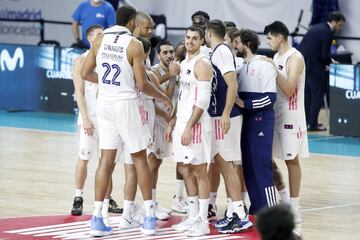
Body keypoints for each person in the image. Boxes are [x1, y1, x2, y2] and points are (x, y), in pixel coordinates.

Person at [81, 5, 172, 236]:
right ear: (132, 21)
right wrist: (162, 95)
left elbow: (85, 73)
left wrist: (106, 84)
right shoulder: (135, 44)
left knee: (105, 161)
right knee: (140, 158)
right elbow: (142, 84)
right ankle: (150, 217)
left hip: (105, 104)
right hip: (126, 104)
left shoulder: (100, 39)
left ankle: (97, 218)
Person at [71, 24, 123, 219]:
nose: (104, 37)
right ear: (90, 38)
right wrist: (85, 118)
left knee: (107, 162)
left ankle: (106, 200)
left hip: (107, 118)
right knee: (84, 157)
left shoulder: (107, 58)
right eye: (100, 35)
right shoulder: (81, 60)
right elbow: (79, 92)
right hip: (89, 117)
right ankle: (78, 197)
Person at [165, 26, 212, 237]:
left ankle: (203, 220)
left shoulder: (202, 64)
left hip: (197, 124)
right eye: (187, 38)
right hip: (182, 121)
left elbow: (203, 101)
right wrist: (172, 121)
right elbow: (182, 96)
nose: (190, 41)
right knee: (184, 168)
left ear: (202, 41)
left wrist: (189, 126)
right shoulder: (183, 63)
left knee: (199, 171)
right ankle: (192, 216)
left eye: (194, 38)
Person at [205, 20, 252, 234]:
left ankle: (240, 215)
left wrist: (225, 113)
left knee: (227, 165)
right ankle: (234, 212)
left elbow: (232, 83)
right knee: (224, 164)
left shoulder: (221, 51)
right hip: (220, 115)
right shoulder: (218, 51)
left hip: (227, 117)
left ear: (207, 33)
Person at [264, 21, 310, 226]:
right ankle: (282, 197)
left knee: (291, 160)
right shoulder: (277, 57)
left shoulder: (295, 57)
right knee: (268, 158)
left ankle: (294, 206)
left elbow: (290, 89)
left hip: (292, 116)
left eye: (270, 38)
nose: (268, 41)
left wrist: (273, 69)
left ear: (280, 37)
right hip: (276, 114)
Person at [236, 29, 277, 215]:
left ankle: (270, 209)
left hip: (261, 120)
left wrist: (245, 103)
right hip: (245, 120)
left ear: (247, 44)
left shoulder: (264, 65)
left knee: (261, 166)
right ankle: (256, 207)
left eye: (237, 42)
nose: (234, 46)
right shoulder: (240, 65)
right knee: (249, 166)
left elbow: (270, 97)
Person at [298, 11, 345, 131]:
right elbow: (324, 55)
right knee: (318, 95)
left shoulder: (317, 28)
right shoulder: (327, 33)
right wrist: (330, 63)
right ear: (334, 22)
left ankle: (307, 122)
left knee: (308, 96)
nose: (340, 29)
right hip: (314, 66)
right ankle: (312, 124)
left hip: (303, 65)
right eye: (339, 25)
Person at [150, 40, 182, 214]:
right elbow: (165, 95)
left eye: (171, 52)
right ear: (158, 55)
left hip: (167, 122)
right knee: (152, 164)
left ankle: (153, 202)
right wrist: (171, 75)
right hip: (155, 121)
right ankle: (150, 204)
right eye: (165, 52)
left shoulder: (175, 71)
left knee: (158, 163)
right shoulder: (153, 71)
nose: (169, 55)